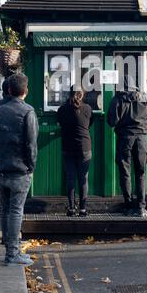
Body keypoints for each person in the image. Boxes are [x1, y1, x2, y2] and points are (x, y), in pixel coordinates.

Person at [0, 73, 39, 266]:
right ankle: (12, 254)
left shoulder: (0, 111)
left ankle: (9, 247)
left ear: (9, 90)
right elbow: (31, 144)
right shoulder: (28, 112)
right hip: (19, 169)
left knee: (6, 210)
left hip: (2, 167)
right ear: (25, 91)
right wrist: (31, 166)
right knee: (16, 211)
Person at [107, 76, 147, 218]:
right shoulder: (144, 97)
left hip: (124, 139)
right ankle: (141, 206)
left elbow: (112, 121)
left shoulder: (117, 99)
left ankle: (128, 205)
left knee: (125, 172)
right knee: (140, 172)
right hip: (141, 138)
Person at [57, 86, 93, 217]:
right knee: (83, 179)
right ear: (82, 95)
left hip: (68, 147)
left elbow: (60, 122)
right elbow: (89, 123)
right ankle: (83, 209)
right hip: (84, 147)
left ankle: (71, 209)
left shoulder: (62, 109)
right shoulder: (88, 108)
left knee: (70, 178)